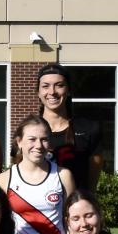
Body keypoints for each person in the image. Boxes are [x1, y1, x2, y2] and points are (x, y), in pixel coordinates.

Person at [0, 116, 75, 234]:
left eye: (44, 139)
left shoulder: (63, 175)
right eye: (32, 139)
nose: (38, 145)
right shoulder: (3, 180)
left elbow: (72, 220)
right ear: (19, 142)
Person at [37, 63, 103, 194]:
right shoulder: (27, 130)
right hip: (37, 211)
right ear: (38, 92)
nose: (52, 92)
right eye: (45, 86)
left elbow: (91, 187)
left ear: (68, 90)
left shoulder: (89, 129)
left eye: (59, 85)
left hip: (74, 210)